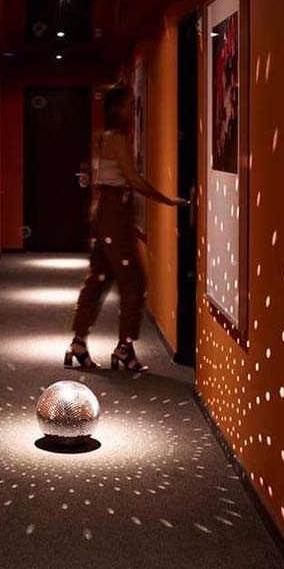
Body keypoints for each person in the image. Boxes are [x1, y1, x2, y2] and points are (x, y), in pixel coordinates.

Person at [66, 85, 187, 373]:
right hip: (114, 214)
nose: (132, 111)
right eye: (129, 106)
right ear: (117, 108)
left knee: (98, 278)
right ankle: (124, 347)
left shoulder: (102, 137)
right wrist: (166, 200)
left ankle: (79, 343)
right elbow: (133, 179)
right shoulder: (117, 139)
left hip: (104, 211)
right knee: (134, 281)